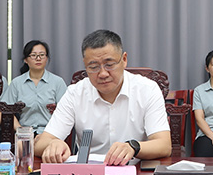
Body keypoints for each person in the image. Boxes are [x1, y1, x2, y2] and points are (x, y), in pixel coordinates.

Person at [35, 29, 171, 165]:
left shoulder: (147, 89)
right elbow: (40, 143)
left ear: (124, 60)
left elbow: (163, 145)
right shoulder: (75, 93)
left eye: (109, 65)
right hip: (88, 172)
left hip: (135, 169)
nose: (103, 74)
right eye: (93, 67)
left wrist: (133, 147)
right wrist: (54, 144)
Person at [0, 40, 67, 138]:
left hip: (50, 133)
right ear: (26, 60)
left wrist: (50, 133)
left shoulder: (57, 82)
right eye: (33, 55)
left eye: (42, 55)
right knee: (22, 146)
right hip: (24, 133)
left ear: (47, 58)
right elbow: (6, 110)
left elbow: (65, 112)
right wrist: (21, 130)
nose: (38, 59)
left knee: (46, 145)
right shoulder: (17, 83)